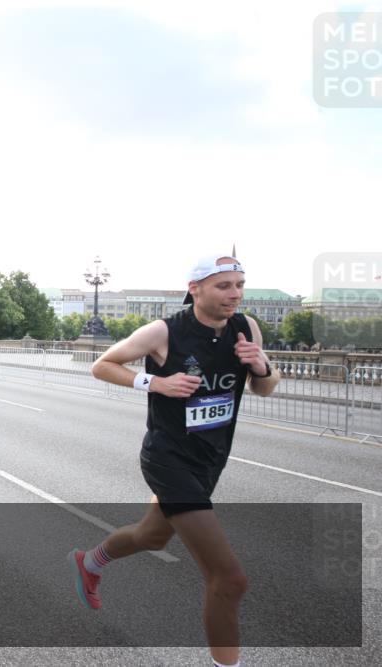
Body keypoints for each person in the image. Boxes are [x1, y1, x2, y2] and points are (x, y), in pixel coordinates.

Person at [70, 255, 280, 667]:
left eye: (239, 284)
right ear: (196, 288)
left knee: (152, 537)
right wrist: (157, 382)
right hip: (168, 458)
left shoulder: (247, 327)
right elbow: (102, 365)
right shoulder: (164, 331)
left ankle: (90, 561)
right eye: (223, 286)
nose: (234, 293)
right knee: (229, 580)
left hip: (211, 458)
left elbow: (267, 388)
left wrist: (262, 365)